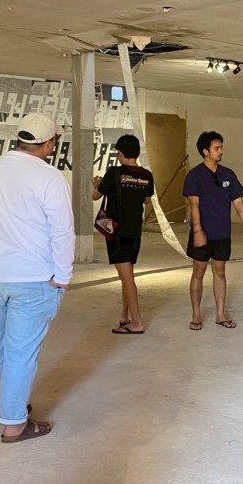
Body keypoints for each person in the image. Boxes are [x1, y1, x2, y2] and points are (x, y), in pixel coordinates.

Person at [0, 112, 74, 444]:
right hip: (35, 278)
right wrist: (63, 275)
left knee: (4, 345)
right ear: (48, 144)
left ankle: (14, 401)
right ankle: (14, 424)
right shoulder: (50, 178)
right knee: (21, 352)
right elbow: (62, 231)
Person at [182, 131, 243, 330]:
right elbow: (194, 204)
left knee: (220, 271)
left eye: (221, 147)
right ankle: (196, 315)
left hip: (222, 233)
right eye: (216, 148)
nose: (220, 151)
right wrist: (198, 231)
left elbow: (237, 201)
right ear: (205, 151)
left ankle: (220, 314)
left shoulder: (228, 174)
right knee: (199, 272)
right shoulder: (194, 176)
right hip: (202, 233)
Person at [92, 134, 155, 334]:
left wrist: (96, 183)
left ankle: (136, 322)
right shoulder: (146, 175)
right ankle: (124, 316)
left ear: (120, 153)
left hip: (117, 231)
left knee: (127, 277)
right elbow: (147, 200)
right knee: (127, 274)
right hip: (135, 229)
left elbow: (95, 196)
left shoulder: (114, 173)